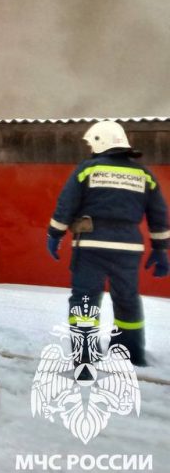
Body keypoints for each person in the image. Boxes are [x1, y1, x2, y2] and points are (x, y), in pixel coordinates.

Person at [46, 120, 169, 367]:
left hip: (91, 246)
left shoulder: (87, 170)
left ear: (100, 142)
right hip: (129, 248)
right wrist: (160, 249)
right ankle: (130, 352)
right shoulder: (144, 175)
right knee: (127, 298)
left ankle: (84, 353)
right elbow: (158, 214)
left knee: (85, 299)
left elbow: (65, 206)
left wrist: (54, 235)